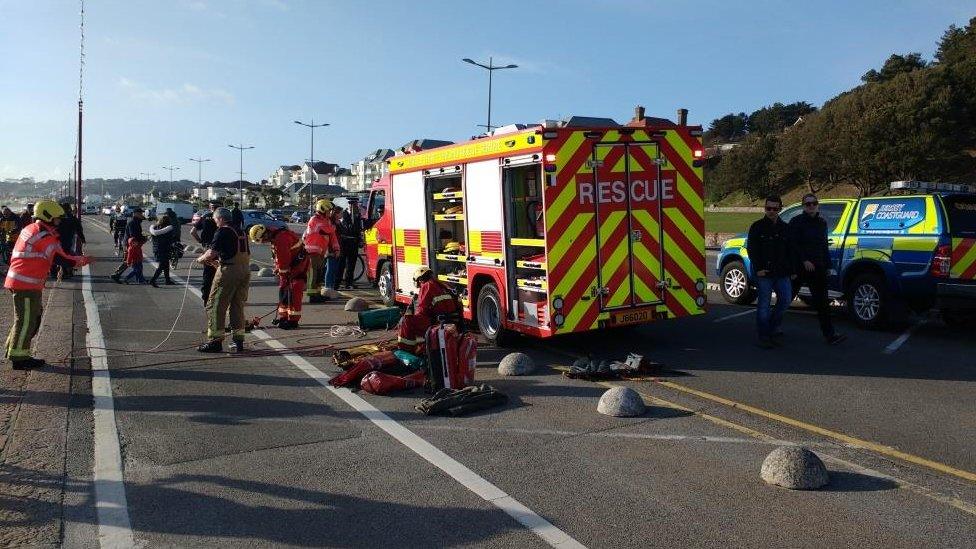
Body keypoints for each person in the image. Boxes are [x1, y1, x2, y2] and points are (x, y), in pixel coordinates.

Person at [4, 200, 91, 369]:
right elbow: (62, 258)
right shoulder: (42, 234)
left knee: (28, 318)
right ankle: (19, 358)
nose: (59, 221)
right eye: (57, 218)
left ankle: (13, 350)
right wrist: (83, 260)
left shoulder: (32, 229)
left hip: (23, 282)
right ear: (48, 216)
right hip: (25, 284)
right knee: (27, 321)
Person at [789, 193, 846, 345]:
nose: (811, 206)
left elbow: (823, 246)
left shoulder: (822, 223)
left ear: (817, 204)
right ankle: (770, 327)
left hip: (818, 267)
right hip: (800, 267)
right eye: (808, 204)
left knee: (822, 303)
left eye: (814, 203)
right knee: (786, 299)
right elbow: (793, 245)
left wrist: (828, 266)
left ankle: (830, 334)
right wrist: (804, 260)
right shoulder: (796, 222)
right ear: (803, 206)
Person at [196, 208, 251, 353]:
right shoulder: (241, 231)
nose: (215, 222)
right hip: (244, 271)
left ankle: (215, 341)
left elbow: (211, 253)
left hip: (229, 272)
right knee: (237, 306)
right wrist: (220, 262)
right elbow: (236, 252)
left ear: (220, 219)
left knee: (215, 305)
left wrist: (200, 259)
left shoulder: (223, 231)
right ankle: (238, 341)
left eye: (215, 220)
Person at [747, 195, 795, 349]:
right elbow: (752, 249)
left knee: (786, 300)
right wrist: (759, 268)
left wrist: (792, 270)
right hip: (764, 273)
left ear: (780, 209)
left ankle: (773, 326)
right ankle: (764, 335)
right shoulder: (757, 227)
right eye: (769, 208)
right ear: (765, 208)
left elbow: (791, 251)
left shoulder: (785, 228)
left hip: (782, 272)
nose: (771, 211)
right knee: (764, 305)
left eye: (775, 209)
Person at [249, 223, 308, 329]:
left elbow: (284, 259)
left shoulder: (280, 239)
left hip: (297, 267)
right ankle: (284, 317)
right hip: (292, 266)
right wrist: (279, 269)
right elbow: (279, 259)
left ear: (265, 235)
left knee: (293, 292)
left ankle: (293, 321)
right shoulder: (276, 236)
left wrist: (282, 272)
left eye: (262, 240)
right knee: (284, 292)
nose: (263, 242)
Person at [396, 267, 461, 352]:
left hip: (438, 323)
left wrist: (411, 315)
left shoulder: (426, 286)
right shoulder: (443, 285)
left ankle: (405, 350)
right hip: (453, 323)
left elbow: (422, 310)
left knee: (406, 320)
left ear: (419, 280)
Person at [303, 198, 339, 303]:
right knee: (313, 275)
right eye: (329, 210)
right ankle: (312, 296)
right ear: (323, 210)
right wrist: (334, 226)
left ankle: (317, 294)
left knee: (319, 274)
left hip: (320, 253)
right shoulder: (314, 220)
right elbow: (326, 230)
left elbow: (333, 237)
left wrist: (337, 249)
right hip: (311, 252)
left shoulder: (326, 221)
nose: (330, 213)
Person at [191, 202, 220, 304]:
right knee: (219, 274)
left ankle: (206, 298)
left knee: (207, 274)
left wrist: (200, 242)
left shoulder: (204, 217)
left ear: (210, 208)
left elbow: (192, 232)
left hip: (207, 248)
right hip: (219, 250)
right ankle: (217, 298)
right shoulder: (221, 219)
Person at [111, 208, 145, 282]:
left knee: (136, 262)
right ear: (135, 214)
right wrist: (143, 238)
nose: (141, 214)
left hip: (131, 244)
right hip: (129, 245)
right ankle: (116, 275)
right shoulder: (133, 223)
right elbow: (133, 235)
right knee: (129, 261)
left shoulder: (136, 222)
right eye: (140, 213)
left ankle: (140, 279)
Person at [52, 203, 85, 279]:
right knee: (66, 254)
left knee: (54, 255)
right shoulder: (73, 218)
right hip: (68, 240)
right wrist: (83, 239)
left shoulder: (57, 218)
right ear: (69, 209)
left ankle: (54, 272)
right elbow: (79, 229)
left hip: (56, 240)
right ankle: (66, 272)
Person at [334, 202, 362, 290]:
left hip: (354, 243)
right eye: (353, 205)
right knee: (341, 265)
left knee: (351, 264)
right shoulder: (344, 215)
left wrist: (360, 239)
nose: (355, 207)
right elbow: (344, 228)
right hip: (344, 243)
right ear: (349, 206)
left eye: (356, 205)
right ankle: (337, 283)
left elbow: (358, 229)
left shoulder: (358, 215)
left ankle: (349, 283)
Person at [148, 215, 176, 287]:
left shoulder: (154, 228)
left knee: (166, 265)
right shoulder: (169, 229)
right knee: (162, 265)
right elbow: (171, 238)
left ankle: (167, 280)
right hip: (165, 249)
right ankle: (153, 280)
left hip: (157, 248)